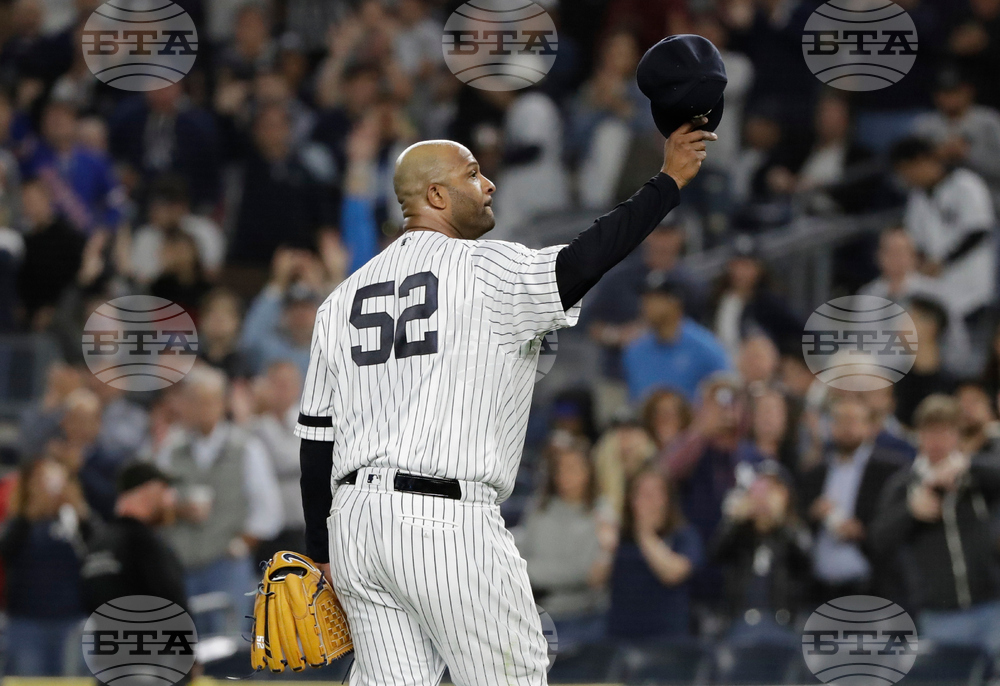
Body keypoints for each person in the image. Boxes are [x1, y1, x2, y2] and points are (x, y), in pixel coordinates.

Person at [294, 115, 713, 684]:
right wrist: (666, 182)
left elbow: (317, 439)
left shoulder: (338, 301)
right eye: (473, 173)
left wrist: (321, 552)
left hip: (356, 531)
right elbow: (587, 258)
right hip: (443, 520)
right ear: (435, 195)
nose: (488, 184)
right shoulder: (485, 269)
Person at [155, 366, 283, 635]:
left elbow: (269, 509)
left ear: (222, 404)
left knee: (229, 648)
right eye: (194, 401)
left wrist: (241, 544)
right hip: (181, 564)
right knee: (182, 647)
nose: (201, 409)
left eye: (208, 401)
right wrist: (178, 509)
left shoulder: (246, 447)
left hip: (226, 565)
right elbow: (154, 502)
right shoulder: (170, 448)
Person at [871, 395, 1000, 655]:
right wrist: (911, 511)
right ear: (919, 435)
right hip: (939, 614)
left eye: (945, 432)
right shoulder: (904, 484)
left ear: (957, 435)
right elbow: (877, 540)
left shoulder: (976, 475)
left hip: (991, 606)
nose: (937, 441)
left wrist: (968, 465)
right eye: (930, 432)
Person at [798, 396, 907, 602]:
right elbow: (797, 521)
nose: (847, 427)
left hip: (872, 590)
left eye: (854, 420)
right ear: (830, 426)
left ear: (870, 427)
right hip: (819, 592)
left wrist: (863, 532)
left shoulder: (890, 470)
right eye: (840, 420)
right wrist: (813, 514)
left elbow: (898, 523)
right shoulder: (814, 472)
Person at [516, 435, 609, 650]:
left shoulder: (602, 514)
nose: (566, 475)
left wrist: (530, 572)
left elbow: (584, 571)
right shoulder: (538, 508)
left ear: (589, 471)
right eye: (561, 468)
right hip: (534, 615)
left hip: (582, 619)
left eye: (574, 467)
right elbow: (519, 556)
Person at [891, 136, 996, 325]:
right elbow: (914, 239)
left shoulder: (966, 183)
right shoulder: (917, 198)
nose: (904, 178)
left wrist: (943, 262)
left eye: (905, 171)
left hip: (972, 288)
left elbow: (979, 230)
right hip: (936, 292)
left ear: (919, 161)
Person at [0, 457, 89, 676]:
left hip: (72, 620)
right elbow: (5, 551)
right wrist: (30, 511)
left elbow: (99, 548)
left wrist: (78, 510)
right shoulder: (20, 523)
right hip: (27, 622)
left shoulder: (77, 520)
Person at [712, 460, 810, 644]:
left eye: (774, 489)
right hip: (738, 623)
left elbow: (805, 563)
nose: (766, 496)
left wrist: (780, 521)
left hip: (782, 623)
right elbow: (715, 554)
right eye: (762, 489)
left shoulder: (795, 530)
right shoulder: (741, 532)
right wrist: (734, 522)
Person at [607, 467, 703, 640]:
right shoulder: (620, 538)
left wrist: (645, 534)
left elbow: (674, 573)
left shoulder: (685, 536)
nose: (649, 500)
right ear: (631, 500)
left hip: (668, 639)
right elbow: (594, 578)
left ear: (668, 499)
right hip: (620, 637)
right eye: (642, 493)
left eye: (656, 493)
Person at [80, 462, 187, 613]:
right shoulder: (147, 544)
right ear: (147, 492)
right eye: (165, 489)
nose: (172, 498)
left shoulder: (97, 544)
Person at [622, 272, 730, 403]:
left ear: (674, 302)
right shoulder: (635, 351)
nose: (646, 306)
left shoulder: (705, 348)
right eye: (645, 299)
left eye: (654, 299)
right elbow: (634, 401)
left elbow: (727, 392)